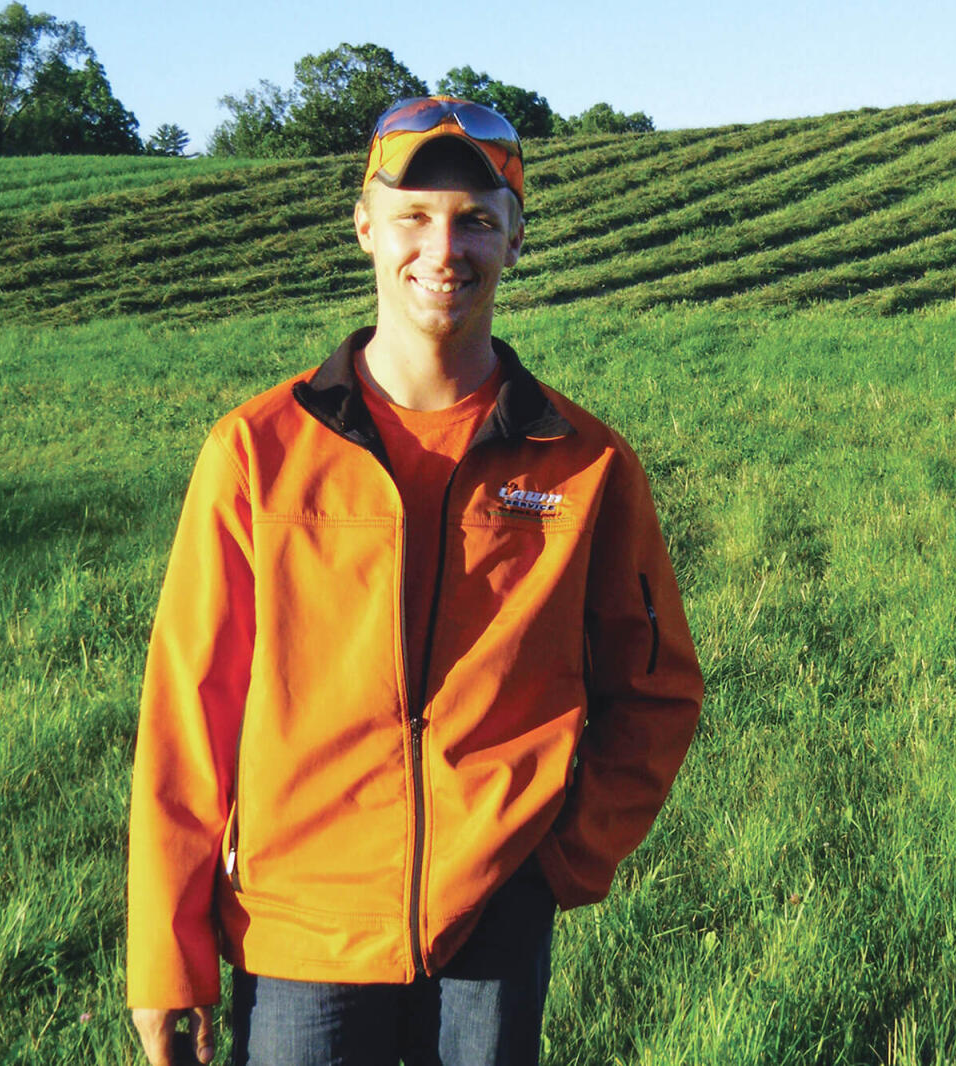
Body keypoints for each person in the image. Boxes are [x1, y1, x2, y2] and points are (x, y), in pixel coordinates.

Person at [126, 96, 703, 1066]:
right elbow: (189, 715)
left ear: (516, 237)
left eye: (476, 218)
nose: (444, 248)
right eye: (415, 216)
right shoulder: (258, 452)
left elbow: (655, 689)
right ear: (364, 226)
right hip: (302, 936)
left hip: (492, 930)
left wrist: (560, 857)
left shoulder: (585, 466)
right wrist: (165, 956)